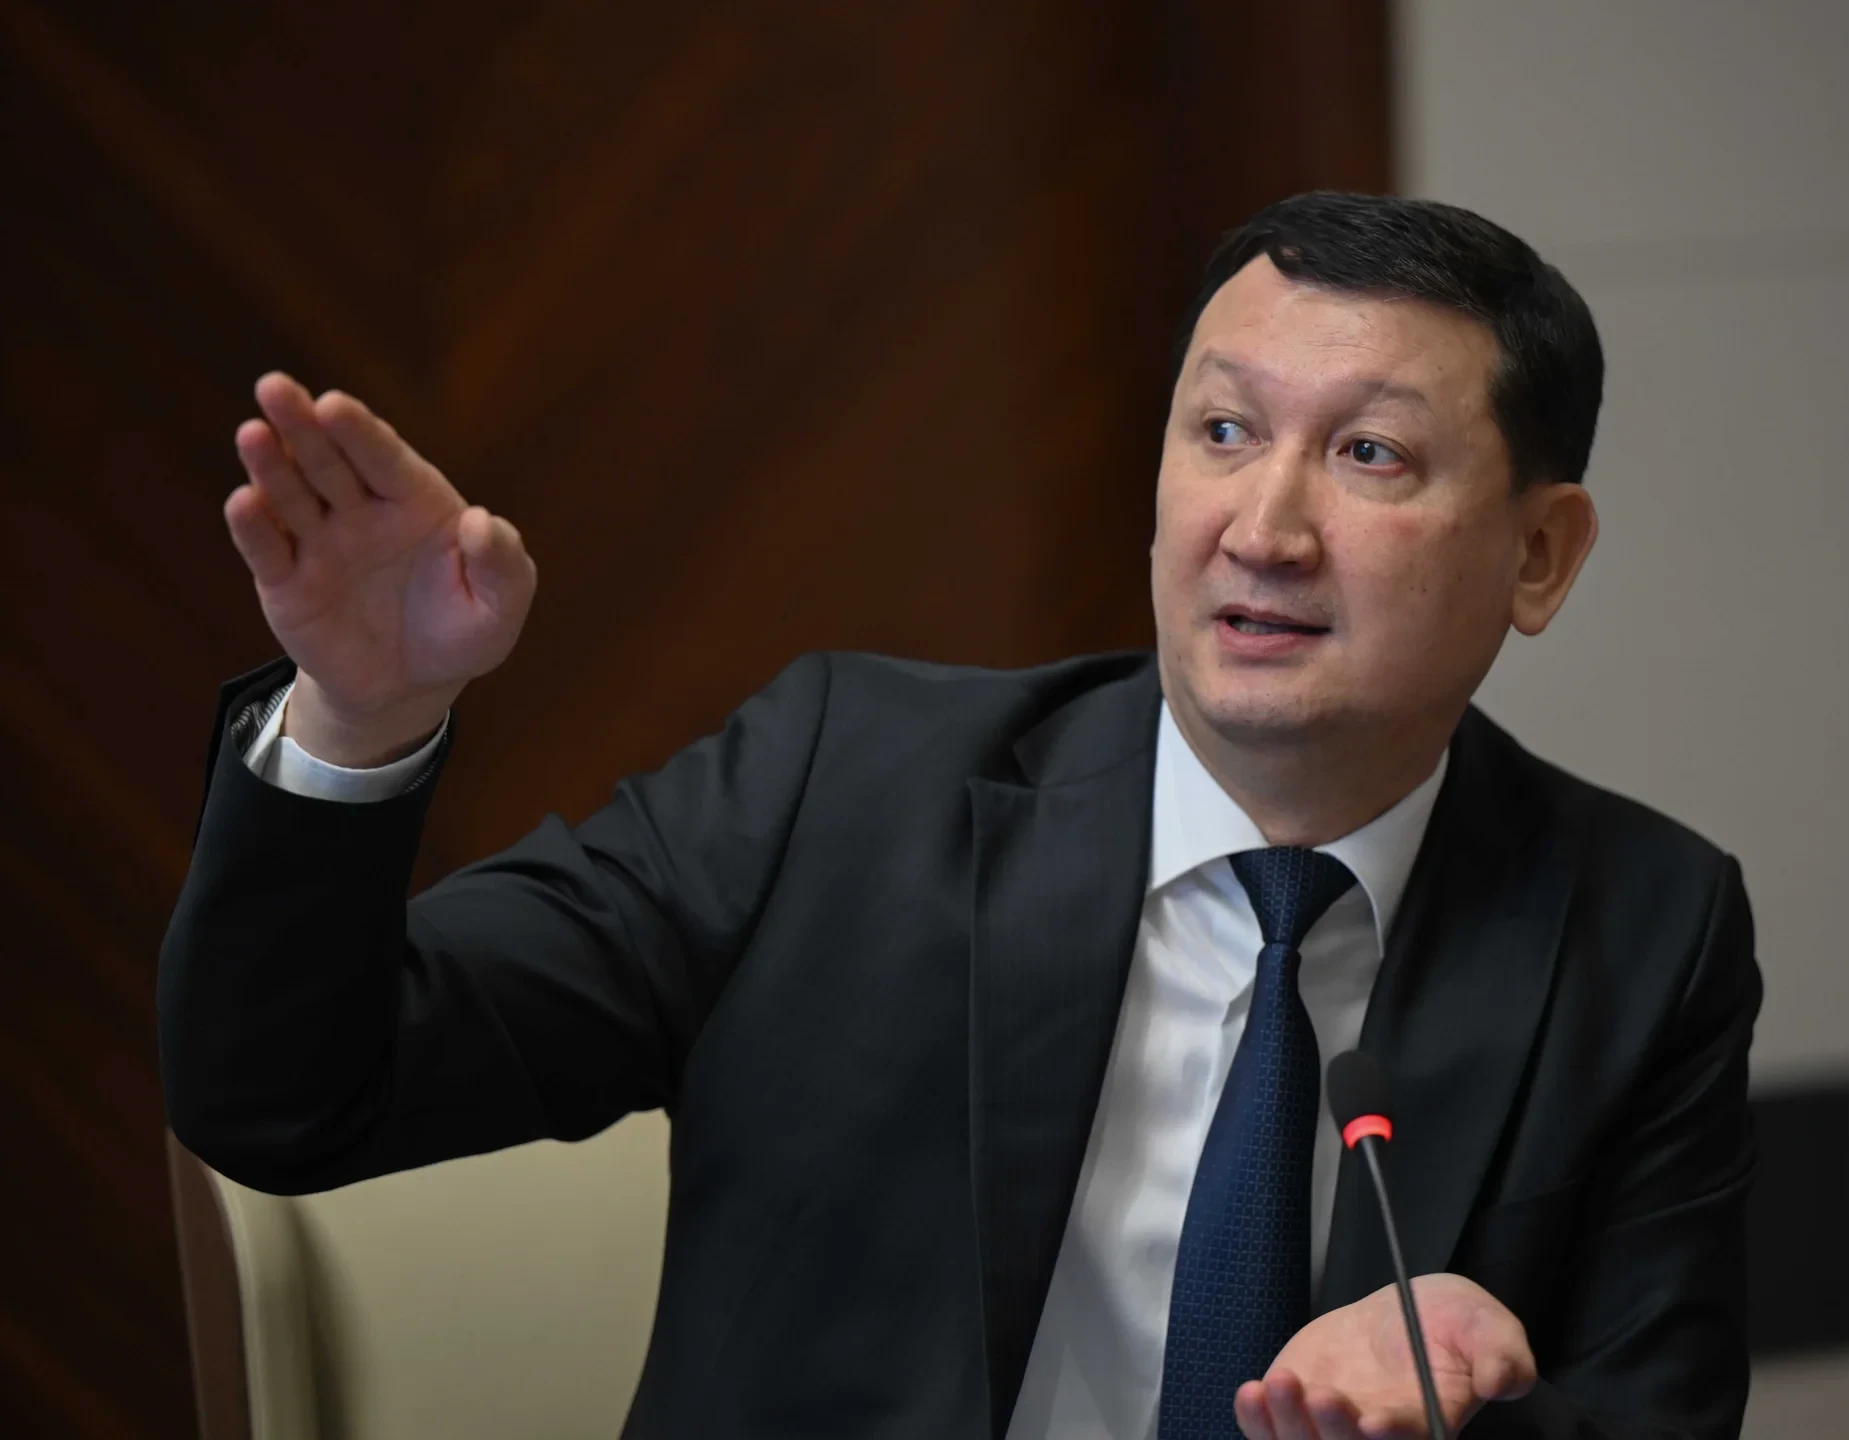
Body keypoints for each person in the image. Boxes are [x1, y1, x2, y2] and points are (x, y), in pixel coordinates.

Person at [162, 192, 1760, 1440]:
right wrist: (363, 719)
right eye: (1222, 431)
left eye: (1368, 454)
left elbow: (1656, 1417)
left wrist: (1464, 1411)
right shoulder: (838, 786)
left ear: (1539, 555)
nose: (1264, 528)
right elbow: (288, 1097)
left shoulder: (1642, 927)